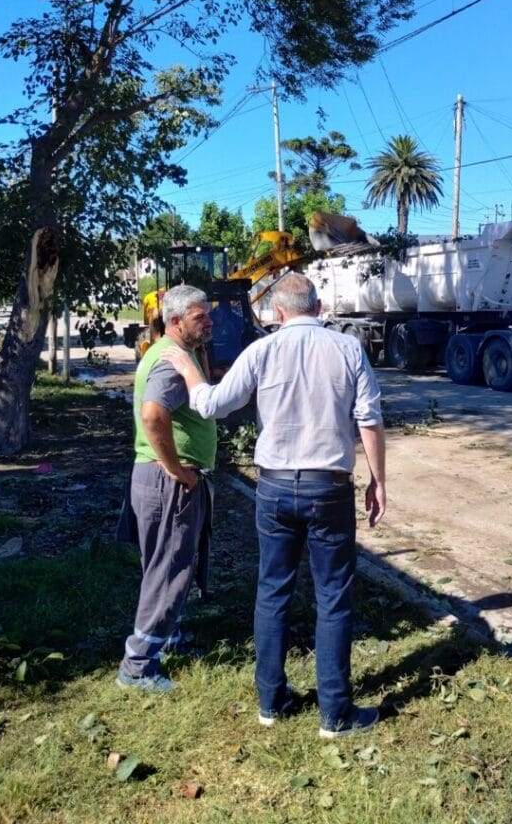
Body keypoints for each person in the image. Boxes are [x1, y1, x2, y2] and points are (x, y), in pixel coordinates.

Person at [161, 272, 386, 737]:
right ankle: (335, 714)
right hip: (329, 488)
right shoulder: (348, 349)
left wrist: (188, 368)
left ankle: (271, 701)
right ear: (318, 307)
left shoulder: (261, 351)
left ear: (278, 312)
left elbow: (212, 405)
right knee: (333, 597)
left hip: (274, 489)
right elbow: (368, 419)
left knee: (273, 591)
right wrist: (379, 481)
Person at [115, 284, 216, 693]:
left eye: (208, 314)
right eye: (200, 317)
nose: (209, 322)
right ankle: (137, 665)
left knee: (168, 564)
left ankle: (168, 636)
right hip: (169, 481)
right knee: (168, 569)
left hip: (160, 479)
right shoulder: (171, 361)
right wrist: (177, 470)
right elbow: (153, 414)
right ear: (175, 321)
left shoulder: (174, 352)